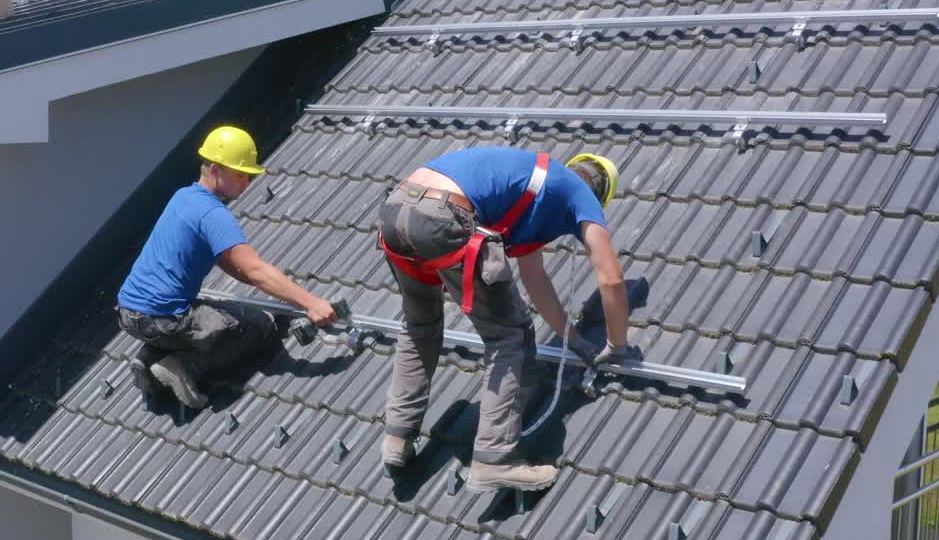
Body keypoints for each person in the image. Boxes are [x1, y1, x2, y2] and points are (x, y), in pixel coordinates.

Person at [377, 147, 632, 493]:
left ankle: (397, 437)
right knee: (509, 336)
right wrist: (616, 345)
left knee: (419, 326)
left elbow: (535, 280)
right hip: (442, 214)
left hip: (396, 208)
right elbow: (612, 279)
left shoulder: (535, 185)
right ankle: (494, 460)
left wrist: (573, 339)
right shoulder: (579, 192)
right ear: (601, 194)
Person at [116, 126, 338, 408]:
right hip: (164, 319)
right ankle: (184, 365)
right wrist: (311, 302)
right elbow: (254, 270)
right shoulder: (212, 214)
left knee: (203, 315)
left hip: (128, 313)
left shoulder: (183, 197)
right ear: (214, 168)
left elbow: (233, 265)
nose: (246, 184)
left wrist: (267, 282)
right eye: (240, 174)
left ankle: (148, 359)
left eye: (248, 176)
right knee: (258, 325)